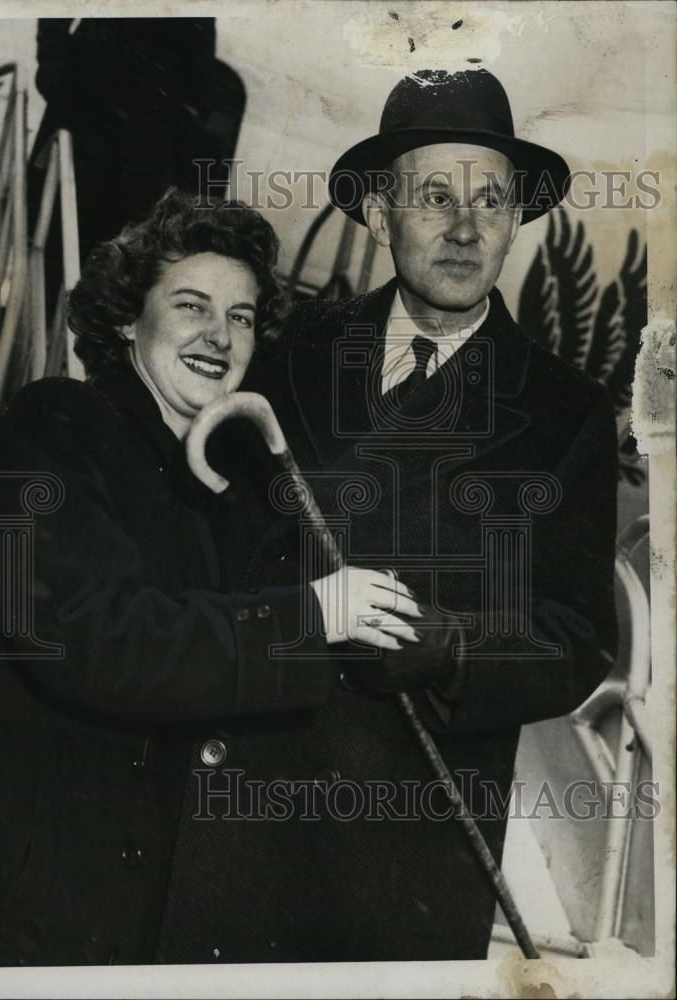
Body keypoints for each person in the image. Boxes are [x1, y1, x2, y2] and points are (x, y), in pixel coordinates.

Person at [0, 189, 418, 966]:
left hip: (145, 905)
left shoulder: (211, 480)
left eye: (240, 316)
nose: (219, 335)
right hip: (32, 900)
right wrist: (310, 615)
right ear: (128, 317)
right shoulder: (57, 424)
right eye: (192, 305)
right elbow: (97, 642)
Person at [213, 68, 618, 961]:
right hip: (247, 812)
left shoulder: (567, 414)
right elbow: (214, 561)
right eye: (434, 196)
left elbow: (580, 634)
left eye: (491, 202)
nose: (465, 229)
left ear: (517, 218)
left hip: (415, 846)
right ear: (379, 212)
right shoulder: (286, 363)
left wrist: (460, 649)